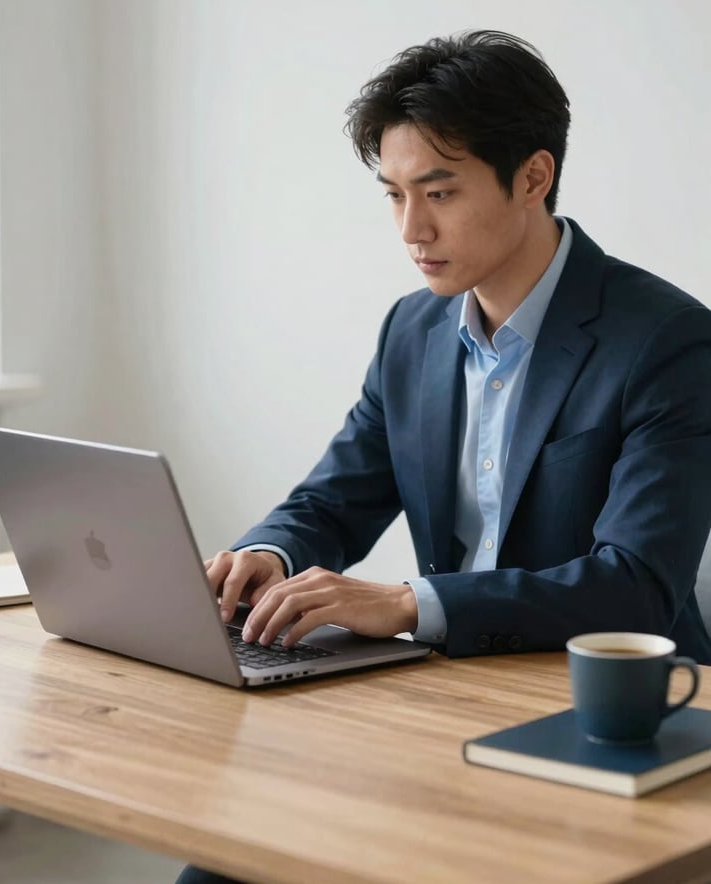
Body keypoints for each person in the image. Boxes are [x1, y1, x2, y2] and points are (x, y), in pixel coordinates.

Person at [175, 28, 711, 884]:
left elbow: (638, 586)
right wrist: (266, 555)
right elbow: (335, 498)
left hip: (605, 721)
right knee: (229, 858)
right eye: (393, 195)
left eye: (439, 192)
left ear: (532, 177)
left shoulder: (666, 340)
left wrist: (403, 603)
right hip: (443, 695)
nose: (411, 229)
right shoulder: (413, 329)